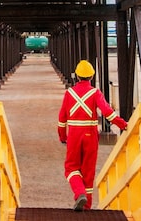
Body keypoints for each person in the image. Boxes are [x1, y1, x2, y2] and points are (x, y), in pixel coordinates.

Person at [57, 60, 127, 211]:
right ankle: (87, 208)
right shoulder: (95, 93)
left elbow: (62, 119)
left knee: (71, 168)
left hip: (74, 135)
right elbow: (108, 112)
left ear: (76, 76)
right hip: (90, 135)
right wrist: (123, 124)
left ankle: (79, 193)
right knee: (88, 172)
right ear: (91, 76)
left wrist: (63, 137)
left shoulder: (69, 94)